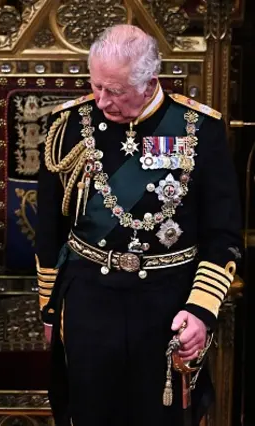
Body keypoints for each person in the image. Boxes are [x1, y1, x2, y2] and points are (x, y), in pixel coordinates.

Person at [36, 25, 242, 426]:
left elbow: (223, 235)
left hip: (168, 302)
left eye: (115, 91)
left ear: (150, 82)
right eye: (96, 86)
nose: (102, 101)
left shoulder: (199, 130)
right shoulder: (66, 126)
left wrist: (200, 311)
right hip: (89, 301)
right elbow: (50, 229)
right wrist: (49, 309)